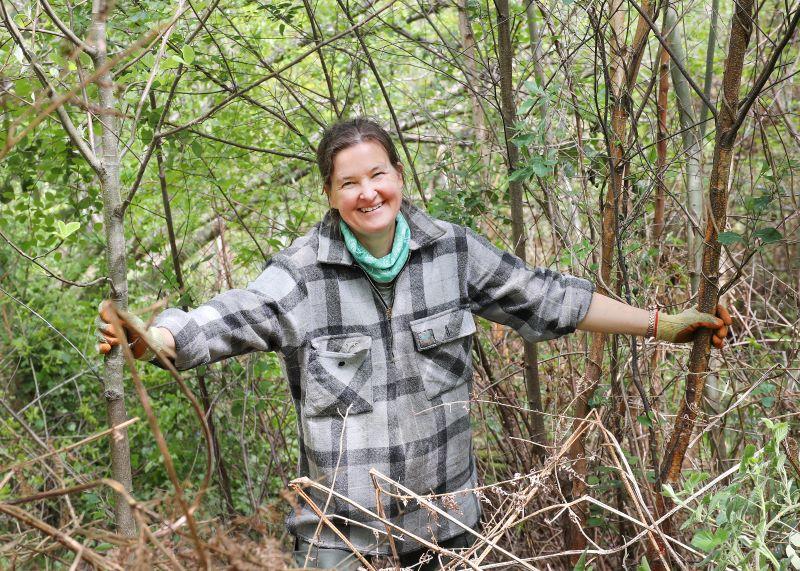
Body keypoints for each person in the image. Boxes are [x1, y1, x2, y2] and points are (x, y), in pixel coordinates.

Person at [97, 117, 731, 570]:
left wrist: (661, 324)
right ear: (330, 195)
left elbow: (547, 298)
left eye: (378, 174)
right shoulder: (303, 273)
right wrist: (155, 338)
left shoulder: (452, 252)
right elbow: (232, 315)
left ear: (398, 176)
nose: (367, 192)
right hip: (341, 542)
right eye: (349, 183)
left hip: (448, 530)